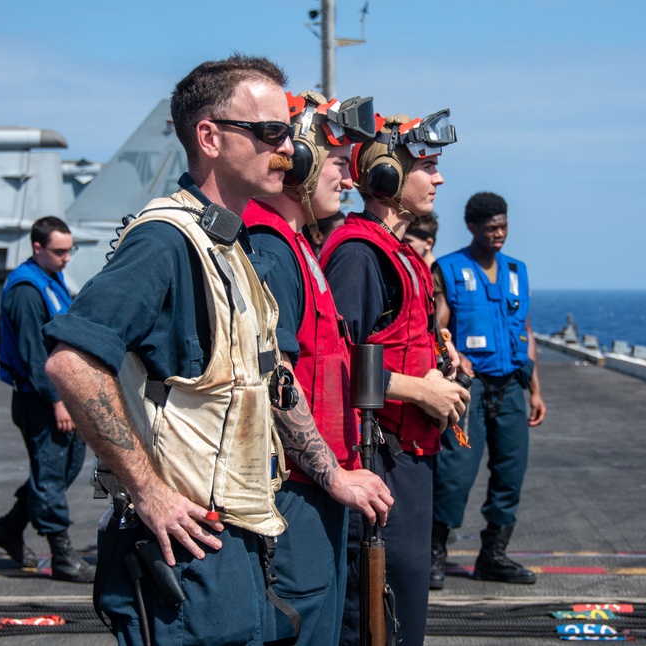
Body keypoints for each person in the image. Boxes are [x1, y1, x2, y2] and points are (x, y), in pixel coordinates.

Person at [44, 54, 299, 645]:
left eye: (285, 132)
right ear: (209, 137)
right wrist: (149, 490)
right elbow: (72, 362)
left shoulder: (230, 248)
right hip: (183, 550)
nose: (285, 149)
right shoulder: (164, 241)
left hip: (236, 536)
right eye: (268, 133)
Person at [241, 91, 393, 644]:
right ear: (298, 160)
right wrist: (332, 473)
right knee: (302, 624)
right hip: (295, 494)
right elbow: (273, 378)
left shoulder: (298, 245)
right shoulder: (271, 250)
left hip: (316, 490)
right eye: (336, 163)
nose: (349, 179)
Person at [321, 111, 468, 646]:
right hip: (377, 460)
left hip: (407, 460)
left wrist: (435, 362)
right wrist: (420, 389)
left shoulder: (400, 253)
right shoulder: (360, 256)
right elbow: (331, 365)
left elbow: (387, 343)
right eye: (427, 165)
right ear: (385, 177)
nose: (439, 178)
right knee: (376, 622)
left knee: (405, 615)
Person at [430, 191, 547, 590]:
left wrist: (535, 390)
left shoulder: (517, 270)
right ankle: (435, 553)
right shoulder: (449, 269)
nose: (499, 234)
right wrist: (453, 356)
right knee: (455, 472)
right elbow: (438, 329)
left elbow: (526, 331)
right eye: (491, 227)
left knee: (510, 473)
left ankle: (493, 556)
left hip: (513, 385)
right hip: (472, 388)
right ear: (473, 227)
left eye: (504, 226)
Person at [0, 216, 94, 583]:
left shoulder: (50, 280)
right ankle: (62, 554)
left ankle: (9, 527)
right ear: (37, 248)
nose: (67, 258)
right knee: (50, 474)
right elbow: (34, 355)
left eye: (69, 250)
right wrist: (57, 401)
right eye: (59, 252)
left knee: (65, 467)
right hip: (42, 399)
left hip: (62, 394)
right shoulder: (27, 290)